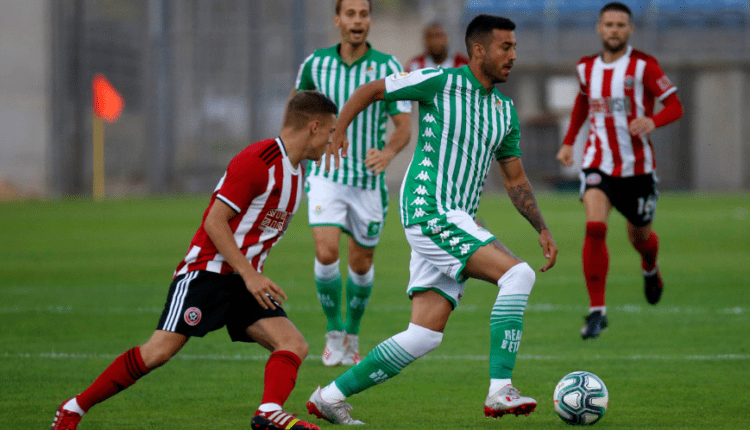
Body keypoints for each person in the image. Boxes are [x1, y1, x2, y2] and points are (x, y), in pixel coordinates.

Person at [305, 14, 559, 425]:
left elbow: (514, 178)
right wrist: (340, 130)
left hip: (453, 216)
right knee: (518, 276)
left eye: (514, 47)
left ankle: (329, 397)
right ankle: (500, 391)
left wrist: (542, 228)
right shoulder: (441, 81)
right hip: (429, 207)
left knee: (423, 335)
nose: (513, 55)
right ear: (479, 50)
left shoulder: (504, 111)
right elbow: (373, 89)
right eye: (505, 47)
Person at [50, 90, 340, 430]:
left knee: (292, 343)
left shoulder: (297, 172)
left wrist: (249, 275)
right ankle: (73, 408)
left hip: (243, 281)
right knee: (158, 352)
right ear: (314, 127)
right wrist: (249, 274)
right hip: (207, 274)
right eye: (332, 131)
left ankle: (269, 413)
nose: (333, 140)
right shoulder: (257, 162)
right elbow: (214, 222)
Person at [293, 0, 411, 367]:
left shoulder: (388, 67)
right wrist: (297, 153)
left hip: (367, 181)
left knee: (360, 265)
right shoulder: (316, 64)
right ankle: (332, 332)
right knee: (327, 252)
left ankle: (352, 334)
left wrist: (389, 153)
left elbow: (404, 125)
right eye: (350, 14)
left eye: (363, 14)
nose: (357, 21)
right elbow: (296, 113)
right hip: (326, 175)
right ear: (338, 20)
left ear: (369, 21)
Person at [555, 2, 684, 340]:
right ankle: (597, 311)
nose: (614, 30)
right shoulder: (585, 68)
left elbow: (675, 105)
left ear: (630, 30)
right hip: (598, 163)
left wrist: (653, 120)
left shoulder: (644, 66)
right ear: (599, 28)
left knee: (639, 238)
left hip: (637, 169)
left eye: (620, 25)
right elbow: (583, 103)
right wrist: (570, 142)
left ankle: (650, 267)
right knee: (595, 226)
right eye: (608, 24)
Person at [405, 21, 470, 73]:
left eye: (439, 36)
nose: (435, 41)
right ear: (424, 41)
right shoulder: (414, 66)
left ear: (447, 38)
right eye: (430, 37)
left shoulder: (463, 64)